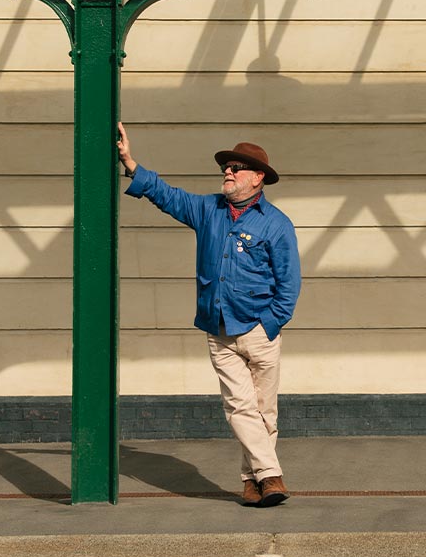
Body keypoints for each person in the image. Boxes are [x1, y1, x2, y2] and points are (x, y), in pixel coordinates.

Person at [116, 122, 301, 507]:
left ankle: (252, 483)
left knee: (264, 412)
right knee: (239, 406)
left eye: (237, 168)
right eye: (226, 168)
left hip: (260, 331)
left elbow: (289, 283)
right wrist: (132, 165)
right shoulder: (208, 210)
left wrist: (270, 324)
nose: (228, 173)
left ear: (258, 178)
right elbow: (168, 196)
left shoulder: (277, 224)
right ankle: (272, 476)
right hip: (219, 330)